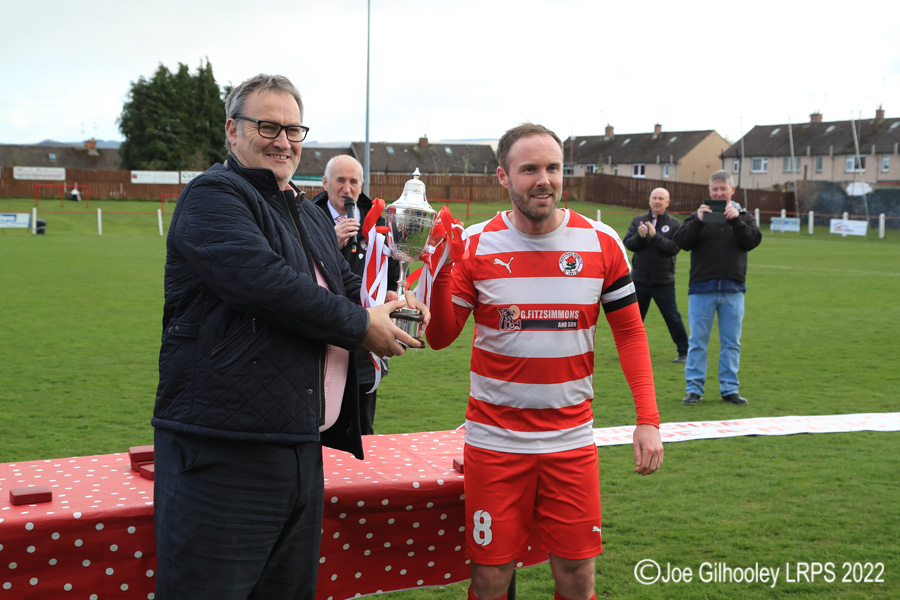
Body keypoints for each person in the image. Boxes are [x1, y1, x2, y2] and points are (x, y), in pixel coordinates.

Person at [152, 73, 428, 600]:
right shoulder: (213, 195)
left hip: (301, 446)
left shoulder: (305, 211)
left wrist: (389, 311)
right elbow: (265, 286)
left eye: (293, 129)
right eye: (268, 126)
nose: (284, 141)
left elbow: (348, 294)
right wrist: (360, 325)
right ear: (232, 131)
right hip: (224, 452)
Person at [426, 123, 663, 600]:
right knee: (491, 577)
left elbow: (631, 333)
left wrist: (648, 420)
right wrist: (441, 270)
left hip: (570, 441)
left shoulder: (601, 243)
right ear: (502, 176)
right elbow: (440, 337)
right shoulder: (473, 244)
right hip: (495, 442)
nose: (543, 180)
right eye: (529, 168)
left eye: (553, 168)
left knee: (577, 575)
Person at [312, 154, 400, 434]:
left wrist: (389, 292)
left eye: (353, 181)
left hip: (365, 337)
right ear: (325, 183)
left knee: (362, 428)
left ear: (362, 185)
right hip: (320, 335)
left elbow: (393, 267)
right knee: (319, 426)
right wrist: (330, 243)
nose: (346, 189)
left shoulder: (380, 221)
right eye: (340, 180)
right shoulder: (307, 219)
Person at [674, 170, 762, 406]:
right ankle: (694, 389)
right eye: (715, 189)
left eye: (723, 189)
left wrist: (737, 221)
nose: (719, 193)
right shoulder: (699, 216)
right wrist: (699, 222)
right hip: (702, 289)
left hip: (733, 289)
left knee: (732, 342)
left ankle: (730, 389)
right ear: (709, 191)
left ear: (732, 190)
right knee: (697, 342)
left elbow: (753, 241)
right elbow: (681, 242)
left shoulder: (743, 216)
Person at [623, 187, 689, 363]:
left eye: (661, 198)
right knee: (634, 318)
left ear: (667, 203)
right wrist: (640, 237)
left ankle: (685, 352)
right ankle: (630, 352)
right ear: (649, 200)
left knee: (672, 317)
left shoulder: (675, 224)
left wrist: (655, 236)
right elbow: (628, 243)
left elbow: (674, 248)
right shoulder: (639, 221)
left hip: (663, 281)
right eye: (654, 198)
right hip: (639, 280)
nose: (657, 201)